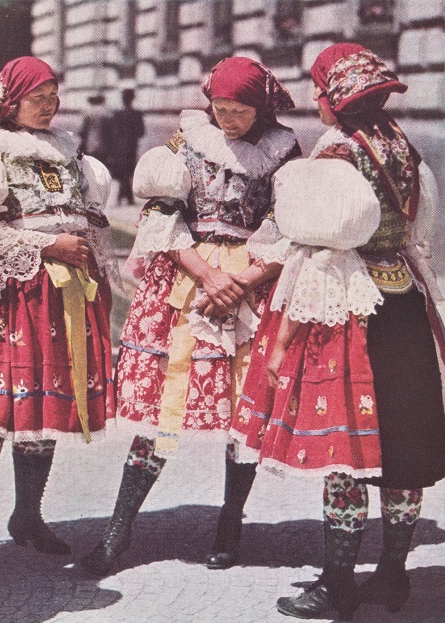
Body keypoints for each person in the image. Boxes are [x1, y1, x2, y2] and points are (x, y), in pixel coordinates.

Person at [232, 44, 445, 620]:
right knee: (403, 446)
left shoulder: (336, 154)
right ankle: (392, 574)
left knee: (347, 448)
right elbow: (420, 227)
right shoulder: (404, 149)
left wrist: (285, 334)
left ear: (333, 101)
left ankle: (338, 583)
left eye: (318, 94)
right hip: (404, 305)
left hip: (348, 308)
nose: (316, 104)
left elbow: (316, 245)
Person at [81, 57, 301, 576]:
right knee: (166, 405)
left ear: (261, 108)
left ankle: (230, 521)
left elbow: (289, 226)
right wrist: (207, 274)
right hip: (190, 276)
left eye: (240, 112)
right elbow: (161, 217)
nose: (228, 120)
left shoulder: (285, 152)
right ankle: (119, 529)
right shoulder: (188, 142)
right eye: (220, 109)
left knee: (242, 408)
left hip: (254, 282)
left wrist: (243, 280)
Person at [0, 56, 117, 579]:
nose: (49, 105)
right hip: (10, 297)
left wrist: (85, 254)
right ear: (11, 102)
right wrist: (49, 244)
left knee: (42, 411)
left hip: (64, 295)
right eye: (39, 98)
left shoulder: (67, 149)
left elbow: (90, 215)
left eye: (54, 95)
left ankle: (28, 516)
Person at [106, 88, 145, 205]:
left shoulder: (116, 114)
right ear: (132, 99)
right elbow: (141, 132)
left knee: (123, 172)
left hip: (119, 147)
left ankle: (123, 197)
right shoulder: (137, 114)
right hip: (132, 146)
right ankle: (127, 197)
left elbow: (112, 133)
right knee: (128, 172)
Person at [79, 93, 112, 165]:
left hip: (90, 144)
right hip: (103, 145)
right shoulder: (106, 112)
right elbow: (109, 131)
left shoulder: (88, 112)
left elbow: (83, 130)